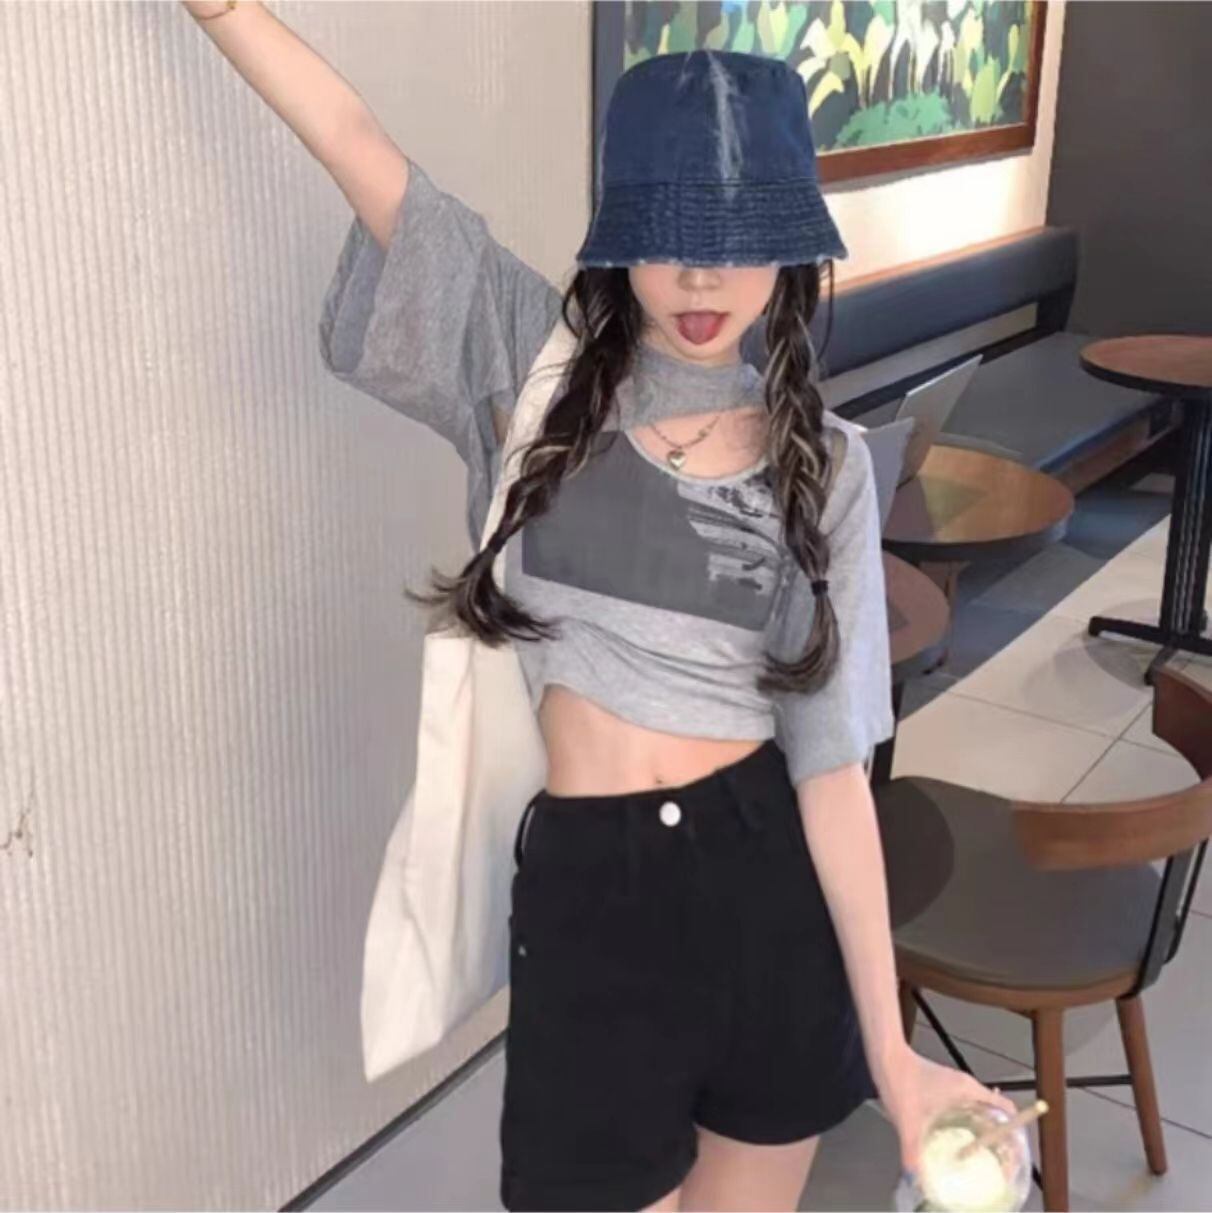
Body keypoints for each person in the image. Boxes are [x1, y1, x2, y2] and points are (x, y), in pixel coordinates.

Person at [183, 5, 1012, 1210]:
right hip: (593, 900)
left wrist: (893, 1052)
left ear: (789, 248)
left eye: (737, 240)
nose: (701, 277)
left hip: (765, 896)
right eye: (668, 235)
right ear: (621, 233)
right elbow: (362, 147)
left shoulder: (824, 464)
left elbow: (832, 769)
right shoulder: (535, 372)